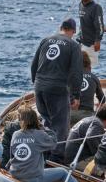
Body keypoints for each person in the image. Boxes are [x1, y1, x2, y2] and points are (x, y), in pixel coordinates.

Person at [9, 105, 97, 182]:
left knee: (37, 157)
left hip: (15, 173)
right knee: (63, 172)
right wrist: (43, 127)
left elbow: (12, 156)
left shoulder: (16, 134)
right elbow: (54, 142)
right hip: (32, 178)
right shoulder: (39, 134)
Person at [31, 18, 83, 163]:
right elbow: (76, 72)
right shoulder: (73, 45)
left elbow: (34, 65)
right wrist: (76, 95)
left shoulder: (45, 40)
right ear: (73, 31)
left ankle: (43, 153)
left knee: (47, 122)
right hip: (57, 90)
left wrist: (36, 84)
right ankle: (55, 160)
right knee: (60, 126)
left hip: (40, 87)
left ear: (61, 27)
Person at [65, 104, 106, 170]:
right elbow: (91, 137)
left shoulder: (89, 119)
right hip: (75, 160)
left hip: (68, 156)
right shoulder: (97, 124)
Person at [70, 51, 106, 126]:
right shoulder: (94, 77)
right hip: (88, 116)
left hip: (71, 115)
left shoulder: (70, 77)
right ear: (88, 63)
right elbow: (103, 99)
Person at [78, 0, 104, 67]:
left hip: (91, 44)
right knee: (80, 67)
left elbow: (100, 25)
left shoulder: (96, 7)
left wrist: (98, 40)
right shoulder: (80, 5)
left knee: (89, 67)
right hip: (81, 42)